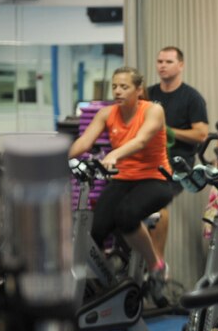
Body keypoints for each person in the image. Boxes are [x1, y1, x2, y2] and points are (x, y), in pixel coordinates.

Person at [68, 67, 173, 306]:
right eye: (114, 86)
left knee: (126, 217)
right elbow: (85, 141)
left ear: (139, 90)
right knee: (96, 231)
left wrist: (115, 154)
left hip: (156, 178)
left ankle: (156, 266)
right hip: (123, 179)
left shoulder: (153, 110)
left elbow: (142, 139)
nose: (117, 91)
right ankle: (107, 288)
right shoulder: (107, 114)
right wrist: (57, 160)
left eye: (124, 87)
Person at [146, 46, 210, 258]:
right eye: (160, 61)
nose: (162, 65)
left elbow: (201, 134)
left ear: (180, 65)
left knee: (155, 201)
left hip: (177, 164)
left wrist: (167, 131)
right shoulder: (149, 94)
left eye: (168, 62)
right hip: (147, 160)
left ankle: (158, 262)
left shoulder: (192, 97)